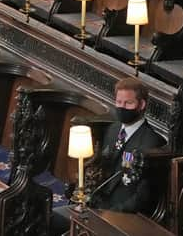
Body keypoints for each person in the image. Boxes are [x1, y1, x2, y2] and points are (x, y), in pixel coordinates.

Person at [51, 77, 166, 235]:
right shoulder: (113, 129)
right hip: (96, 204)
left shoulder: (151, 142)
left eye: (128, 103)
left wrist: (110, 214)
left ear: (141, 105)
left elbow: (143, 196)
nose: (121, 107)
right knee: (52, 217)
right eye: (119, 102)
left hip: (121, 216)